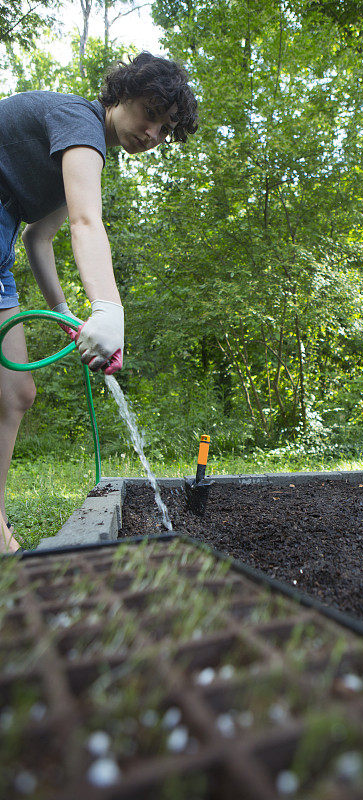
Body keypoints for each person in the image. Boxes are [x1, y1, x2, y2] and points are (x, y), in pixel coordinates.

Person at [0, 52, 198, 552]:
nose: (153, 134)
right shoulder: (78, 120)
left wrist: (66, 312)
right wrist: (109, 308)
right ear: (121, 94)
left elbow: (39, 239)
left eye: (165, 129)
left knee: (14, 395)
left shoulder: (79, 147)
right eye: (150, 114)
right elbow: (88, 224)